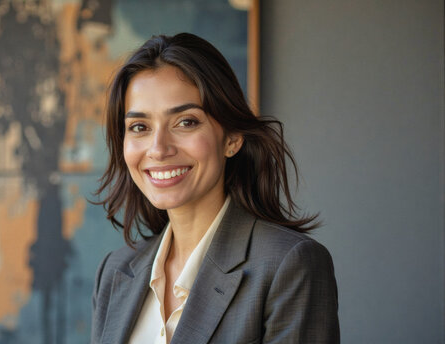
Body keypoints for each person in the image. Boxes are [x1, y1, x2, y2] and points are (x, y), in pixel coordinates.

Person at [91, 33, 339, 344]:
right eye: (139, 127)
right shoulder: (115, 271)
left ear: (232, 139)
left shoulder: (289, 265)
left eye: (186, 122)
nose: (158, 148)